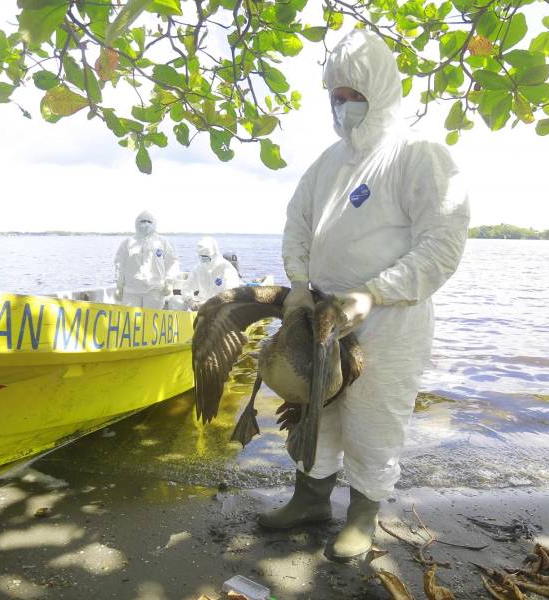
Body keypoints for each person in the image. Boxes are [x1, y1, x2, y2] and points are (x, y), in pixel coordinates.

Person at [261, 29, 471, 561]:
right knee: (317, 409)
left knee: (375, 416)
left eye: (357, 94)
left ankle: (362, 515)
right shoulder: (327, 163)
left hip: (389, 320)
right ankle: (309, 499)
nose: (346, 105)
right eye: (338, 96)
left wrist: (374, 294)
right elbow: (297, 225)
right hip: (322, 314)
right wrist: (300, 285)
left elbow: (443, 246)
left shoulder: (420, 155)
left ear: (382, 90)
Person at [114, 210, 180, 309]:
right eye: (143, 221)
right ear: (137, 223)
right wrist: (119, 286)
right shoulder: (127, 243)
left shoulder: (163, 243)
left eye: (149, 222)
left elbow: (172, 262)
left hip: (155, 290)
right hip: (131, 291)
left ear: (154, 224)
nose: (146, 224)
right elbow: (119, 265)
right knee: (132, 322)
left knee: (152, 322)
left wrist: (169, 283)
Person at [178, 236, 241, 309]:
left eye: (206, 257)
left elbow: (231, 294)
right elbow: (186, 288)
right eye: (201, 257)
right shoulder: (198, 268)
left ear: (214, 254)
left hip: (221, 308)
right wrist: (191, 301)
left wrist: (210, 303)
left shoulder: (226, 269)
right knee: (175, 301)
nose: (204, 260)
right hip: (201, 308)